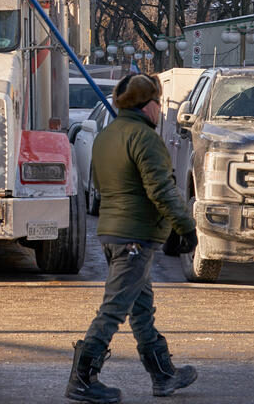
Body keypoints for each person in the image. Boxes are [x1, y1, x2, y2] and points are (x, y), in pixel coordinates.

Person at [65, 74, 199, 404]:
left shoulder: (107, 136)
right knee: (114, 309)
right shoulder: (145, 138)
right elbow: (162, 189)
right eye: (157, 102)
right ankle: (82, 378)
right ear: (146, 104)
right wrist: (185, 227)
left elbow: (99, 184)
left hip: (113, 232)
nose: (159, 109)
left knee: (141, 310)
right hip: (134, 238)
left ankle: (163, 374)